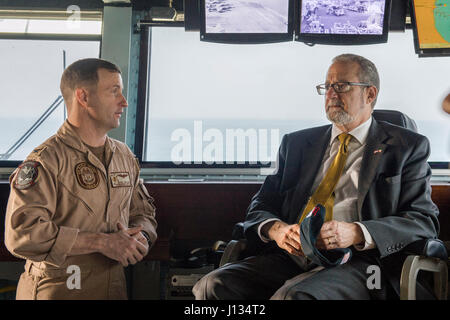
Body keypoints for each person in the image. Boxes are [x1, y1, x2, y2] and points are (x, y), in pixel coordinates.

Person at [193, 54, 439, 300]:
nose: (331, 93)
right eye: (327, 87)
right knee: (213, 285)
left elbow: (422, 220)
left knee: (294, 296)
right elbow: (261, 206)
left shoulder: (406, 147)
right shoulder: (297, 144)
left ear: (370, 94)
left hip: (362, 264)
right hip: (293, 256)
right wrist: (277, 230)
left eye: (341, 86)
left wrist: (356, 231)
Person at [5, 58, 158, 300]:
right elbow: (22, 235)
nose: (124, 102)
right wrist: (102, 243)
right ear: (84, 98)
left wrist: (141, 238)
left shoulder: (124, 156)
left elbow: (143, 213)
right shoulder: (46, 161)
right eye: (114, 91)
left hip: (113, 289)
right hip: (58, 291)